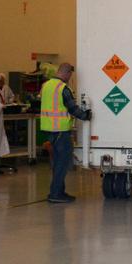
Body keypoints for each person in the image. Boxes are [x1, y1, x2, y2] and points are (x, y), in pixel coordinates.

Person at [39, 62, 91, 203]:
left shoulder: (46, 86)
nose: (70, 78)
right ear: (67, 73)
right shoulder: (63, 88)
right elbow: (72, 108)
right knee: (62, 163)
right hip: (61, 131)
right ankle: (56, 194)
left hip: (49, 130)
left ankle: (58, 192)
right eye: (70, 75)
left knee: (57, 162)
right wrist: (86, 115)